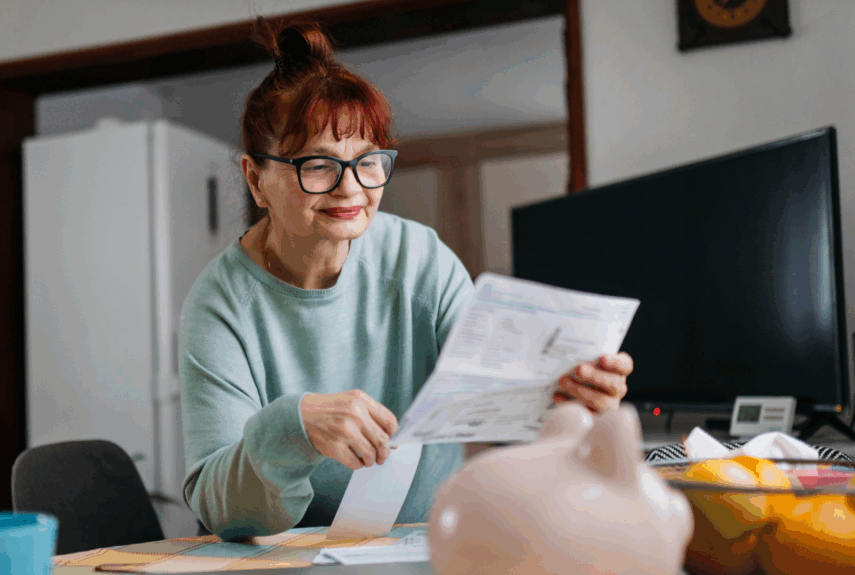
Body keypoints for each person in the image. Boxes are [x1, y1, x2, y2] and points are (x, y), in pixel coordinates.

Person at [177, 20, 633, 540]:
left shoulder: (419, 259)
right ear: (256, 179)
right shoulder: (219, 305)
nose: (351, 188)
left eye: (368, 162)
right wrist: (294, 427)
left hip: (425, 539)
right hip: (284, 557)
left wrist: (568, 395)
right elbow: (219, 509)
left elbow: (497, 396)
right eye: (318, 166)